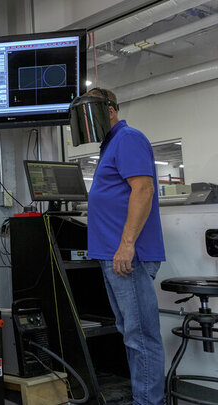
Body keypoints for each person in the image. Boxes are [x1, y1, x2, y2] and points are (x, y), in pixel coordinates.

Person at [73, 88, 166, 405]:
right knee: (131, 334)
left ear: (109, 110)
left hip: (128, 256)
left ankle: (147, 402)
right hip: (114, 256)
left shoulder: (127, 138)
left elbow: (143, 190)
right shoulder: (110, 146)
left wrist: (126, 245)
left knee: (141, 338)